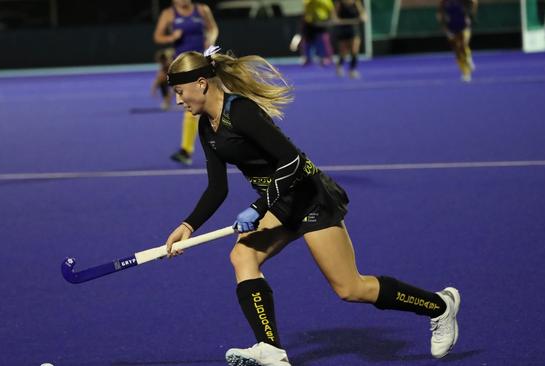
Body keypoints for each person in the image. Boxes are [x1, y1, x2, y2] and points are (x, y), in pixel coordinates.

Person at [163, 46, 461, 366]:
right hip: (279, 202)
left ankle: (440, 306)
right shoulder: (207, 126)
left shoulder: (242, 112)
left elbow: (292, 160)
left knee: (349, 288)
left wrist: (258, 206)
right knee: (242, 255)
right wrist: (187, 226)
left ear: (201, 83)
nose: (179, 101)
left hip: (309, 197)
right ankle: (271, 349)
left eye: (180, 92)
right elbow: (217, 187)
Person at [154, 0, 219, 165]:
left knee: (211, 104)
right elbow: (158, 36)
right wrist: (172, 37)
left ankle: (190, 150)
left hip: (203, 63)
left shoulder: (202, 9)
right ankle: (187, 150)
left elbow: (212, 28)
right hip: (183, 67)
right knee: (192, 107)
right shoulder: (168, 14)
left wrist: (210, 39)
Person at [437, 0, 478, 82]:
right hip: (451, 28)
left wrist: (471, 15)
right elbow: (440, 13)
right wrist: (443, 26)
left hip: (464, 27)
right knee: (457, 51)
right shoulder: (444, 2)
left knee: (463, 45)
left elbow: (474, 2)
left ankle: (468, 59)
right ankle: (466, 73)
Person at [333, 0, 366, 79]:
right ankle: (339, 65)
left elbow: (363, 14)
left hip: (354, 28)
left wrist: (363, 17)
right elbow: (334, 15)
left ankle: (352, 70)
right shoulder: (339, 3)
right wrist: (336, 19)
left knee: (355, 49)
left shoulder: (356, 2)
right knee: (344, 51)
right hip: (343, 28)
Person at [301, 0, 337, 66]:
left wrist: (333, 18)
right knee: (307, 42)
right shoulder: (308, 1)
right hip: (310, 24)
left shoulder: (327, 1)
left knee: (324, 41)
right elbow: (305, 9)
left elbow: (331, 10)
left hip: (322, 23)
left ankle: (328, 58)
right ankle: (307, 58)